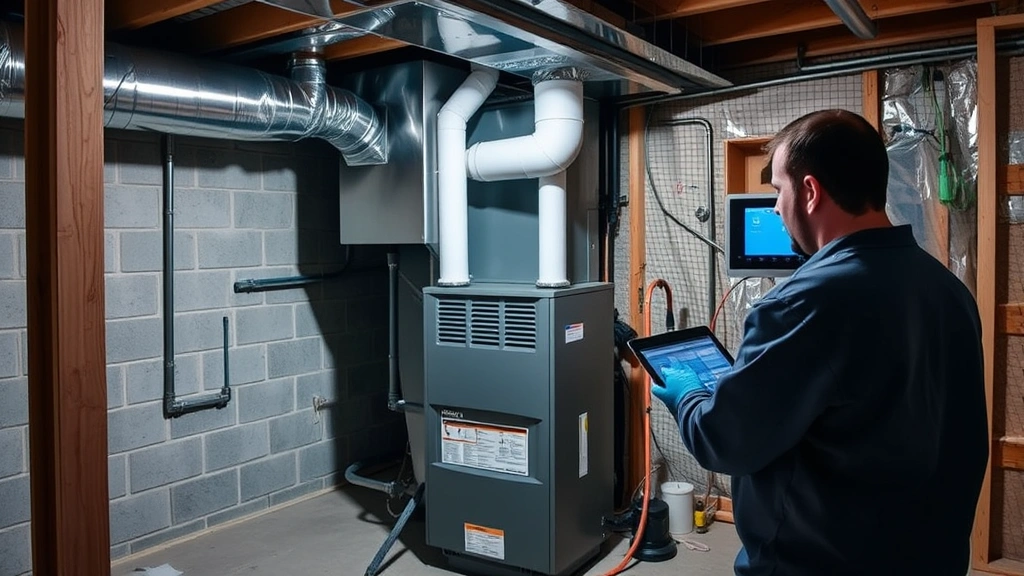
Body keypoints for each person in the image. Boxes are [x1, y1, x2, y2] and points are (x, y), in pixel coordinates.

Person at [650, 109, 988, 576]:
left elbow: (725, 442)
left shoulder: (804, 303)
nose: (774, 209)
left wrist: (688, 394)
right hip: (931, 557)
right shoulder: (948, 290)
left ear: (809, 192)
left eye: (778, 191)